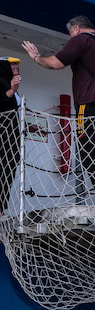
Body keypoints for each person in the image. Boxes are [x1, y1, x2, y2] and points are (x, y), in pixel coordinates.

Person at [22, 16, 95, 205]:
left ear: (76, 28)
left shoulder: (81, 40)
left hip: (90, 103)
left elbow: (56, 63)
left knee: (88, 150)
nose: (70, 37)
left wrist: (36, 57)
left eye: (70, 33)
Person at [0, 56, 22, 213]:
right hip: (3, 136)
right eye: (12, 65)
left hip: (12, 135)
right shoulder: (5, 86)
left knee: (8, 172)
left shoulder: (12, 88)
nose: (16, 67)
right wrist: (11, 90)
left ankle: (1, 208)